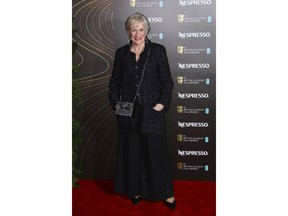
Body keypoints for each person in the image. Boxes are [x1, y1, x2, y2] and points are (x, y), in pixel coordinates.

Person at [108, 12, 176, 209]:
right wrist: (117, 107)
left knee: (156, 154)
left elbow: (167, 82)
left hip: (152, 111)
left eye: (141, 30)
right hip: (128, 113)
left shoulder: (157, 51)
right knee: (132, 153)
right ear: (128, 32)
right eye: (133, 30)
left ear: (147, 31)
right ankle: (134, 189)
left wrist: (159, 106)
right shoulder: (121, 54)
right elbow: (114, 84)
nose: (137, 34)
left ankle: (166, 192)